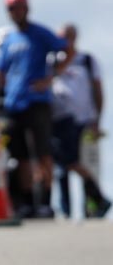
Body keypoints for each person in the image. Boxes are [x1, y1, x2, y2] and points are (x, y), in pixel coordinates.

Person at [0, 0, 74, 218]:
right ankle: (28, 202)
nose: (15, 12)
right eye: (11, 8)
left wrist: (51, 78)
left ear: (26, 9)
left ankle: (47, 202)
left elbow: (67, 49)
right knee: (20, 157)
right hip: (13, 104)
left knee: (43, 154)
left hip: (37, 103)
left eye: (19, 7)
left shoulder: (40, 33)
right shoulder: (9, 40)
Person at [51, 24, 110, 218]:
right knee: (62, 164)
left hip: (82, 120)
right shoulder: (52, 61)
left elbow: (98, 90)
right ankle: (67, 210)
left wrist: (97, 119)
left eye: (66, 37)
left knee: (82, 162)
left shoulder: (87, 61)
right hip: (57, 120)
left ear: (75, 37)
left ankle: (92, 206)